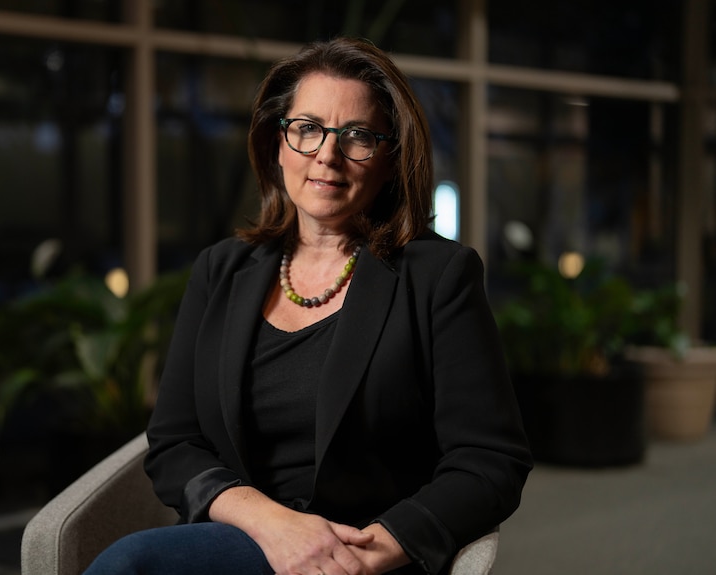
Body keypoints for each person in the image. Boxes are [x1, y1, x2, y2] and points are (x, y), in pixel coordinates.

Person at [84, 37, 532, 575]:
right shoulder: (220, 270)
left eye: (358, 136)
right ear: (278, 143)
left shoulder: (439, 276)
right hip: (247, 541)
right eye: (308, 129)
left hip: (360, 556)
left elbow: (490, 461)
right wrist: (273, 526)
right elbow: (175, 443)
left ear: (390, 159)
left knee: (131, 565)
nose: (327, 154)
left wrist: (370, 552)